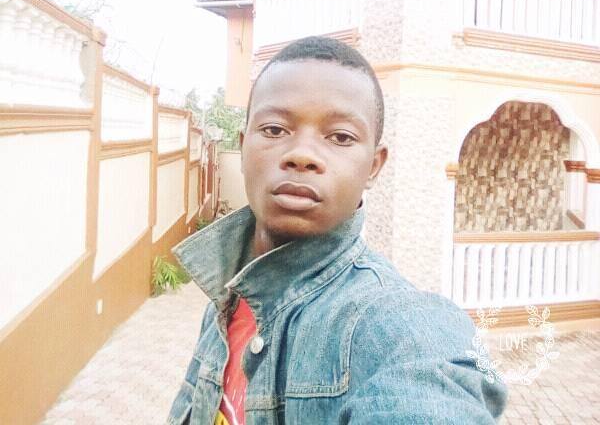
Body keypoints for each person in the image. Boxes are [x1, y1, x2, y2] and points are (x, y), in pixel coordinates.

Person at [167, 36, 508, 424]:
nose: (302, 155)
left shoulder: (395, 325)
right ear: (244, 148)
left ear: (374, 166)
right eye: (275, 129)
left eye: (341, 137)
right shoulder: (227, 297)